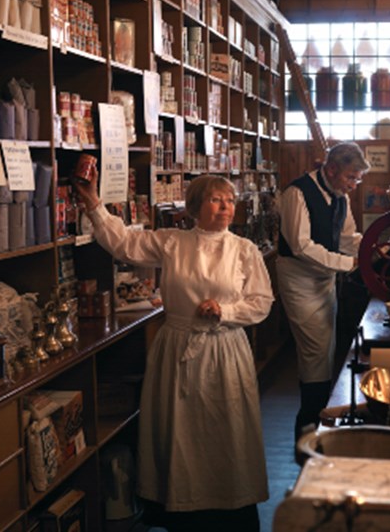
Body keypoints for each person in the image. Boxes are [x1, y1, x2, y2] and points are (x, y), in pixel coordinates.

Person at [74, 171, 273, 531]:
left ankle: (229, 510)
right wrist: (93, 203)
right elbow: (123, 243)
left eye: (229, 200)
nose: (225, 206)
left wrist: (225, 311)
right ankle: (182, 508)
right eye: (215, 199)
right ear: (196, 207)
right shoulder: (173, 242)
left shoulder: (244, 250)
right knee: (179, 429)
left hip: (224, 349)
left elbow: (261, 303)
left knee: (225, 429)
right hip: (178, 346)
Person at [276, 142, 370, 446]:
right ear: (331, 169)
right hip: (300, 281)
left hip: (325, 279)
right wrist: (349, 264)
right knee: (315, 354)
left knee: (325, 353)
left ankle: (316, 427)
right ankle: (308, 430)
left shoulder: (340, 196)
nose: (353, 186)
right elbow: (301, 246)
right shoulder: (297, 193)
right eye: (350, 178)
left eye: (357, 180)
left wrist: (371, 252)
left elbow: (347, 238)